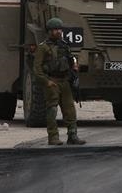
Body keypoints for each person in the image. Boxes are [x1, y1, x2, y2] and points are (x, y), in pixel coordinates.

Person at [34, 17, 86, 146]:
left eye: (60, 29)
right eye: (55, 29)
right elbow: (37, 69)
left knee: (70, 110)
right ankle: (53, 137)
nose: (58, 32)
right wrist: (47, 82)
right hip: (52, 80)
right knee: (52, 109)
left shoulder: (64, 45)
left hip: (65, 81)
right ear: (49, 31)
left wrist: (74, 67)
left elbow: (71, 59)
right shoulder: (43, 47)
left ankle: (72, 135)